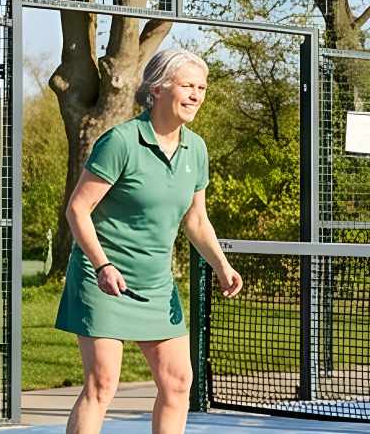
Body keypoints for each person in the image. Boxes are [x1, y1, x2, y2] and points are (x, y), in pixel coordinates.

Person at [57, 48, 245, 434]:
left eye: (202, 87)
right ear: (157, 89)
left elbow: (196, 219)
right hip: (102, 281)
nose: (196, 95)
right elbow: (78, 209)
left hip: (156, 285)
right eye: (188, 85)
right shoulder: (120, 142)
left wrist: (222, 265)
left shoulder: (197, 149)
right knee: (102, 384)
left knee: (178, 383)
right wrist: (102, 264)